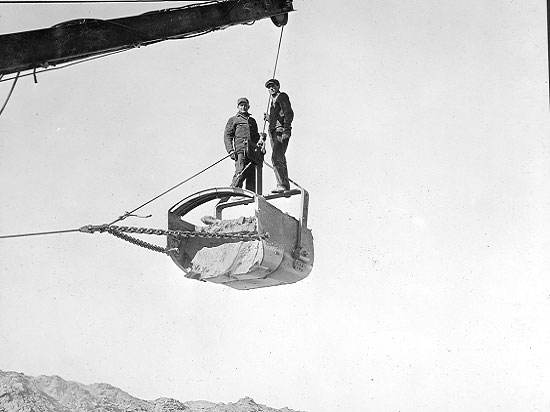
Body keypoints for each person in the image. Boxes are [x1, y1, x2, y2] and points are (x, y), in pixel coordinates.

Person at [223, 97, 264, 191]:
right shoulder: (233, 120)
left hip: (252, 152)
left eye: (245, 105)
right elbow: (227, 136)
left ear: (248, 106)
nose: (243, 107)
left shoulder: (252, 121)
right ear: (238, 107)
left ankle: (249, 196)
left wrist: (261, 137)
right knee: (240, 172)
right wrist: (230, 150)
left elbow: (256, 137)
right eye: (241, 105)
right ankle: (234, 192)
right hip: (240, 151)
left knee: (251, 175)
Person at [264, 78, 294, 193]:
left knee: (276, 157)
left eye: (273, 86)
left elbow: (288, 113)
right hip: (273, 132)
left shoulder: (282, 96)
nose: (271, 88)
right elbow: (279, 116)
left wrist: (286, 130)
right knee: (280, 157)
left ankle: (281, 184)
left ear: (278, 86)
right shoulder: (273, 101)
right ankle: (284, 185)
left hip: (280, 131)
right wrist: (270, 119)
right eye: (269, 87)